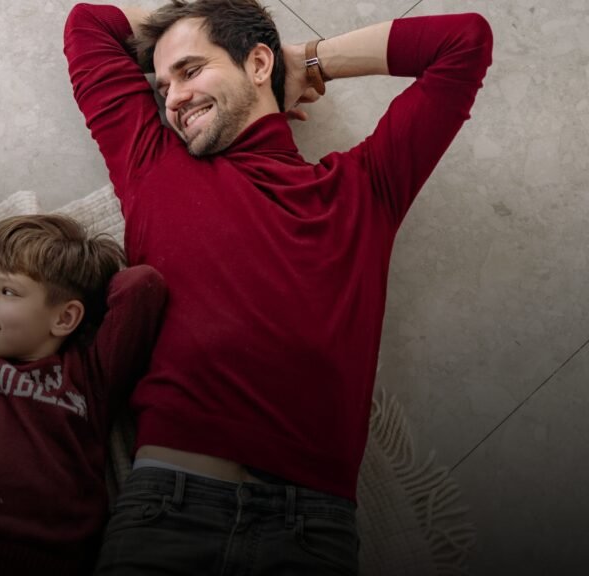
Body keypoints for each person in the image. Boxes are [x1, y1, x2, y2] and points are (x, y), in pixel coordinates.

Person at [64, 1, 493, 573]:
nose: (172, 99)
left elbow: (463, 42)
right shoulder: (151, 163)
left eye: (190, 71)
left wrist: (308, 62)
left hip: (311, 532)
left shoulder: (363, 190)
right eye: (163, 86)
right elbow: (90, 22)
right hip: (169, 510)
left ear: (259, 63)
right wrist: (187, 43)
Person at [0, 215, 167, 576]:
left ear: (66, 318)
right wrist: (1, 276)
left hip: (63, 561)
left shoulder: (90, 376)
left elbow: (142, 285)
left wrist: (76, 287)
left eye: (8, 292)